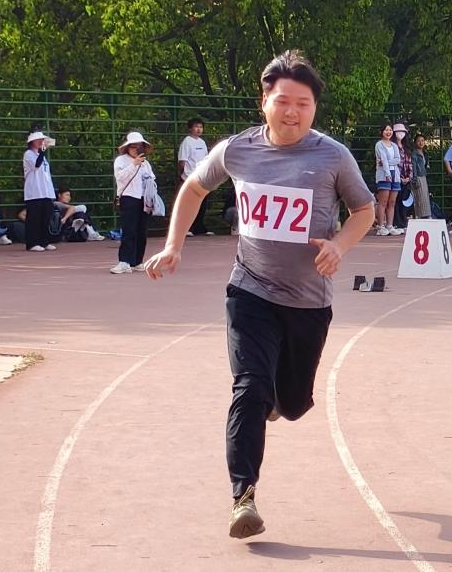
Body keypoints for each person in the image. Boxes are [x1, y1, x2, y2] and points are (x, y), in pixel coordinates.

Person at [142, 50, 375, 539]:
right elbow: (193, 189)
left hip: (308, 301)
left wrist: (339, 245)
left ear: (314, 108)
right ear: (264, 102)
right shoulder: (236, 150)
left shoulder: (332, 156)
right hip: (249, 290)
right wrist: (173, 245)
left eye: (303, 104)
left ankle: (275, 400)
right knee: (248, 387)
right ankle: (242, 497)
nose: (292, 112)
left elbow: (364, 211)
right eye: (283, 101)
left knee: (293, 403)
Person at [111, 131, 158, 274]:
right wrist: (134, 164)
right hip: (128, 197)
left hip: (144, 199)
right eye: (133, 146)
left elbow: (152, 179)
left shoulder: (146, 164)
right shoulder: (121, 160)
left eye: (139, 146)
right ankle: (124, 261)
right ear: (127, 147)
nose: (136, 149)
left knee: (141, 231)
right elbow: (120, 177)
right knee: (129, 230)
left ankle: (137, 261)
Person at [23, 130, 58, 252]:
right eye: (38, 140)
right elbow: (36, 165)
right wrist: (43, 151)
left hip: (45, 191)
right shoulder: (28, 154)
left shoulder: (41, 156)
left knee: (45, 217)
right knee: (34, 218)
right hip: (34, 192)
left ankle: (44, 241)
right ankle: (32, 243)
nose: (41, 142)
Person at [179, 118, 212, 236]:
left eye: (201, 127)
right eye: (196, 127)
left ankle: (199, 228)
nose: (199, 129)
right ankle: (187, 228)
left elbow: (206, 159)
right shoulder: (187, 142)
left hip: (201, 178)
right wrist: (183, 176)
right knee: (189, 205)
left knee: (202, 205)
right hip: (189, 178)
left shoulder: (202, 142)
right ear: (190, 128)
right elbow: (182, 161)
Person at [373, 124, 402, 236]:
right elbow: (383, 159)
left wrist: (386, 162)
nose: (388, 132)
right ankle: (381, 226)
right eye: (386, 130)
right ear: (382, 131)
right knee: (383, 202)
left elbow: (397, 160)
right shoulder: (379, 144)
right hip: (384, 175)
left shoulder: (394, 145)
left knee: (392, 202)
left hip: (395, 175)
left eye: (390, 130)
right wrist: (387, 172)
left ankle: (390, 225)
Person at [411, 134, 431, 219]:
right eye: (419, 141)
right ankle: (421, 215)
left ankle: (426, 214)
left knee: (425, 196)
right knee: (419, 196)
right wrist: (414, 178)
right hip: (418, 176)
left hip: (423, 175)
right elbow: (414, 166)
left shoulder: (424, 153)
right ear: (415, 142)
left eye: (422, 141)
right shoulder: (414, 153)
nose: (421, 143)